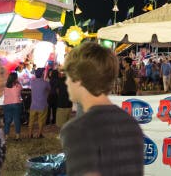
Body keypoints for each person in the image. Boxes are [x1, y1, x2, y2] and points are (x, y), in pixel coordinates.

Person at [60, 42, 144, 176]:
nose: (66, 82)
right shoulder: (131, 124)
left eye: (68, 76)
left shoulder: (77, 129)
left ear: (79, 79)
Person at [27, 68, 50, 138]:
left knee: (31, 120)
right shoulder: (45, 83)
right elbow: (49, 90)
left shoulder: (32, 82)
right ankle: (39, 134)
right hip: (42, 105)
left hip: (33, 105)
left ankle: (30, 134)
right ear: (42, 74)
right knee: (41, 120)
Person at [2, 71, 23, 141]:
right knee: (17, 120)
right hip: (16, 103)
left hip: (7, 104)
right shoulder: (18, 85)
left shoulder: (5, 85)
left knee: (7, 121)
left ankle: (6, 136)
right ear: (15, 78)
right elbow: (21, 90)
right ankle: (17, 136)